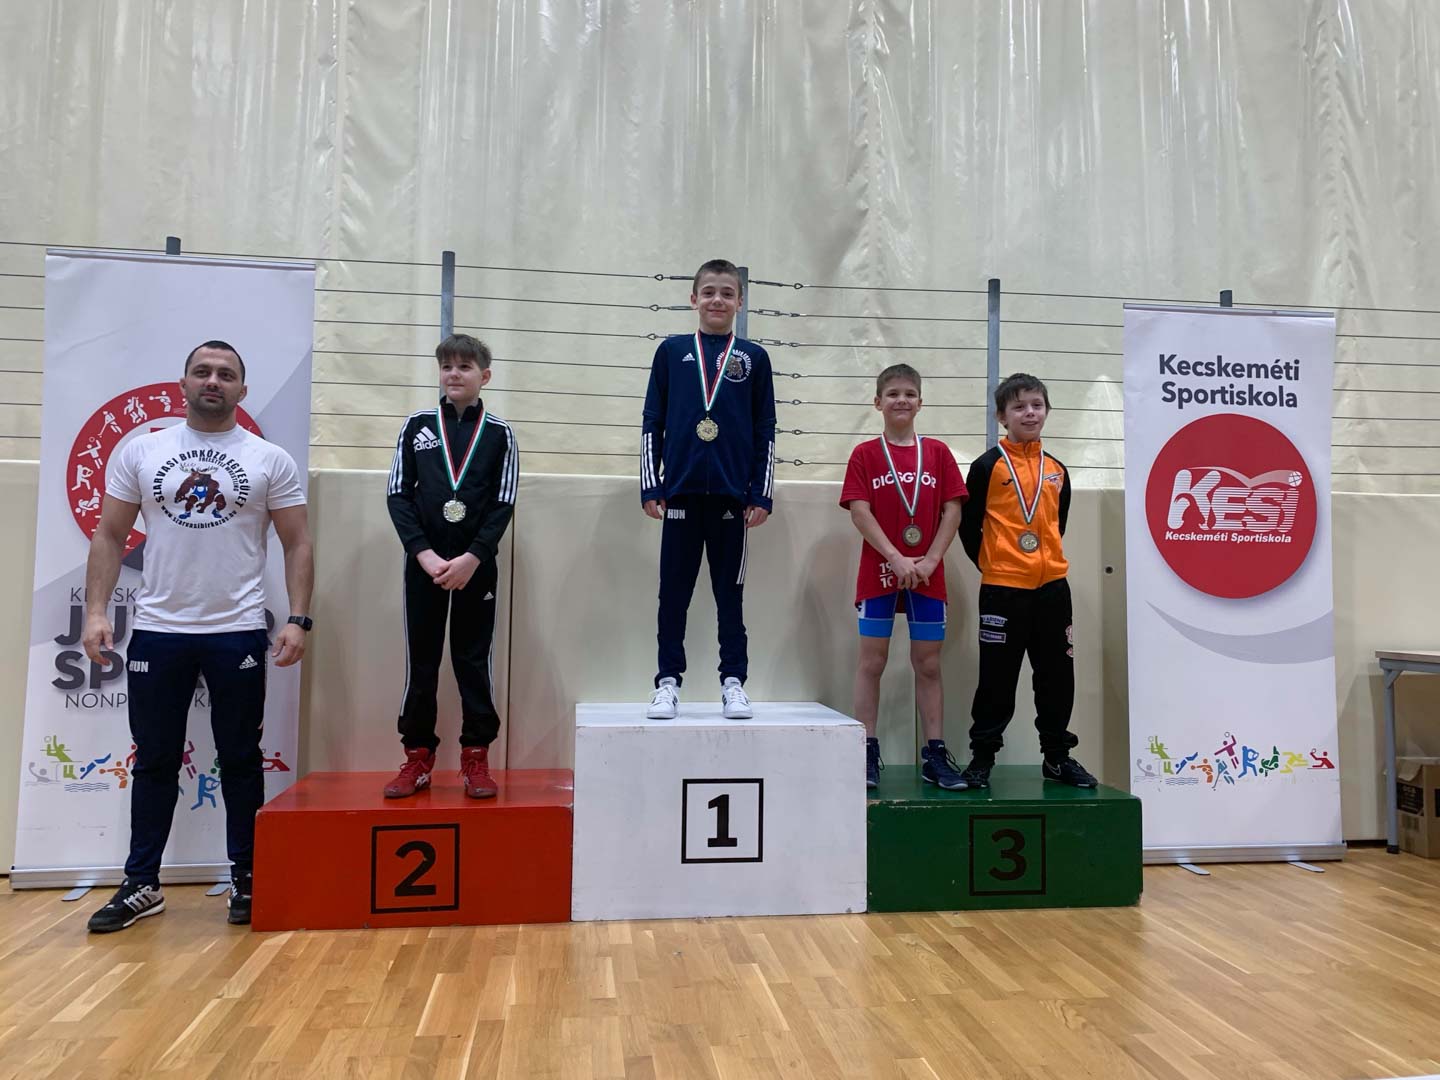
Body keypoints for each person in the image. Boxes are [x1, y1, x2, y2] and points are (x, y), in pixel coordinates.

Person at [81, 340, 314, 932]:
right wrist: (96, 612)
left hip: (237, 631)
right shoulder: (144, 450)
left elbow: (297, 543)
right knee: (155, 760)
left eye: (226, 374)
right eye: (202, 372)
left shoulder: (269, 460)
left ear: (242, 390)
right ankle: (141, 883)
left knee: (241, 760)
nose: (214, 381)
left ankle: (248, 877)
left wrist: (298, 618)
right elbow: (109, 535)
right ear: (182, 383)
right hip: (160, 631)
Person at [383, 334, 518, 799]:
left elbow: (503, 502)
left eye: (464, 367)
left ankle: (476, 757)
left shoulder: (500, 434)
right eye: (446, 367)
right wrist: (423, 553)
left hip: (475, 568)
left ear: (485, 376)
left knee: (472, 661)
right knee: (421, 662)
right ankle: (417, 757)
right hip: (424, 566)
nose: (454, 374)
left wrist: (472, 557)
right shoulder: (417, 426)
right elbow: (398, 495)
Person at [641, 259, 777, 720]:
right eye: (709, 292)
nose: (717, 300)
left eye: (727, 293)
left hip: (731, 499)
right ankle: (667, 682)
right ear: (693, 299)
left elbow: (765, 429)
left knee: (729, 597)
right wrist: (651, 483)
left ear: (740, 302)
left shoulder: (754, 358)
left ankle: (733, 682)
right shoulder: (671, 352)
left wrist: (760, 493)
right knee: (672, 595)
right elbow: (652, 420)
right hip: (679, 494)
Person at [957, 373, 1096, 789]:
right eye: (1019, 407)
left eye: (1036, 405)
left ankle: (1057, 757)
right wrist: (995, 564)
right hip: (1003, 590)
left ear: (1047, 411)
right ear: (1002, 416)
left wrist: (1040, 562)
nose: (1029, 413)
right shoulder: (987, 467)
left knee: (1057, 677)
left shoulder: (1056, 470)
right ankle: (982, 758)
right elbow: (968, 526)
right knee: (996, 679)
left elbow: (1058, 523)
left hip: (1052, 589)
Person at [840, 364, 969, 790]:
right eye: (893, 393)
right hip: (880, 569)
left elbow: (953, 510)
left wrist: (931, 560)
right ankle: (865, 750)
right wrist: (895, 557)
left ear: (920, 402)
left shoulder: (938, 453)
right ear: (878, 402)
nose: (902, 400)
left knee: (928, 663)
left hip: (928, 572)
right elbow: (860, 512)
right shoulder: (865, 454)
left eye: (909, 394)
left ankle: (935, 754)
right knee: (872, 662)